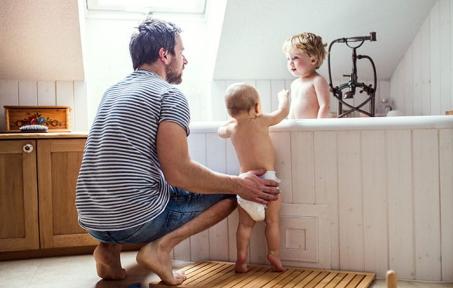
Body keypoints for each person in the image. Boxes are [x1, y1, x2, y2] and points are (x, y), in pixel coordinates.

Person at [75, 18, 279, 286]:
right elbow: (179, 173)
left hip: (91, 218)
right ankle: (160, 249)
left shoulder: (113, 92)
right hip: (134, 219)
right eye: (181, 52)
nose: (185, 60)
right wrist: (239, 184)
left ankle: (107, 250)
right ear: (164, 55)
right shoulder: (168, 95)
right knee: (231, 192)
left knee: (141, 179)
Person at [217, 83, 289, 273]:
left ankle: (241, 259)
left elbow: (220, 131)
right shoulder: (261, 120)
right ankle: (273, 253)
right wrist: (284, 97)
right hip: (268, 182)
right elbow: (282, 113)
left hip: (246, 184)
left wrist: (230, 121)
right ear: (257, 107)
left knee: (244, 226)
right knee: (272, 222)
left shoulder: (232, 128)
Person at [282, 32, 331, 119]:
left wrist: (319, 126)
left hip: (312, 128)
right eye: (288, 58)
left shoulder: (317, 80)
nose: (290, 62)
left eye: (295, 57)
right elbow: (293, 108)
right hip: (297, 127)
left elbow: (325, 106)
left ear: (313, 60)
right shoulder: (294, 84)